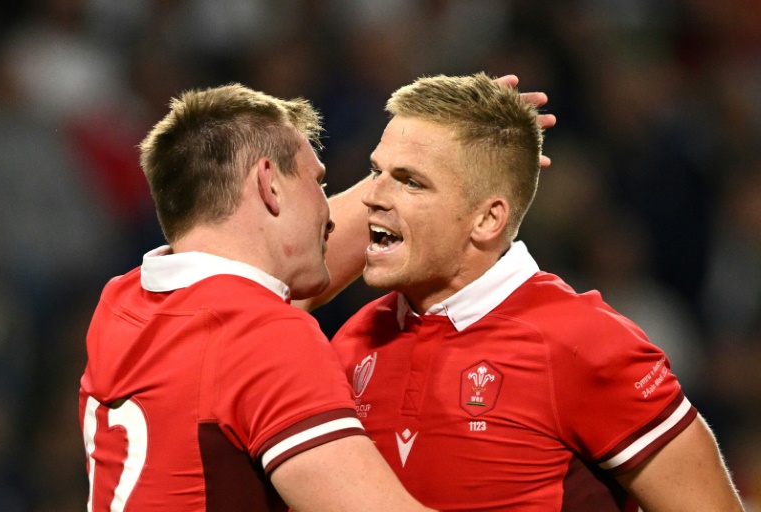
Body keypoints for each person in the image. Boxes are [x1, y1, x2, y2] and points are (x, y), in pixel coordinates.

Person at [330, 73, 745, 511]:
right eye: (376, 171)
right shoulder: (355, 340)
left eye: (411, 181)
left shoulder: (584, 343)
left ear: (488, 220)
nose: (372, 197)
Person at [78, 83, 434, 512]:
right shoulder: (264, 337)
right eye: (317, 182)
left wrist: (432, 152)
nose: (328, 214)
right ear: (269, 183)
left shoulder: (123, 301)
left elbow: (254, 313)